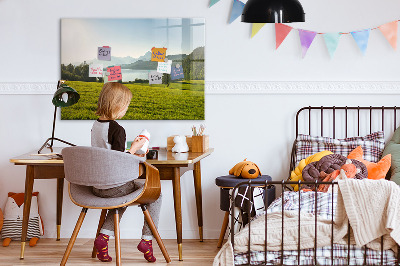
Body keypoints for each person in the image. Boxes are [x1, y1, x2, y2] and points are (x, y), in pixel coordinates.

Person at [91, 82, 162, 263]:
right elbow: (119, 161)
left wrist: (132, 150)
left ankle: (104, 238)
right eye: (127, 105)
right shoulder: (117, 129)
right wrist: (135, 149)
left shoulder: (96, 125)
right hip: (114, 186)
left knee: (121, 198)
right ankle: (147, 240)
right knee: (156, 194)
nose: (127, 109)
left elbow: (108, 154)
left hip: (97, 186)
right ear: (118, 105)